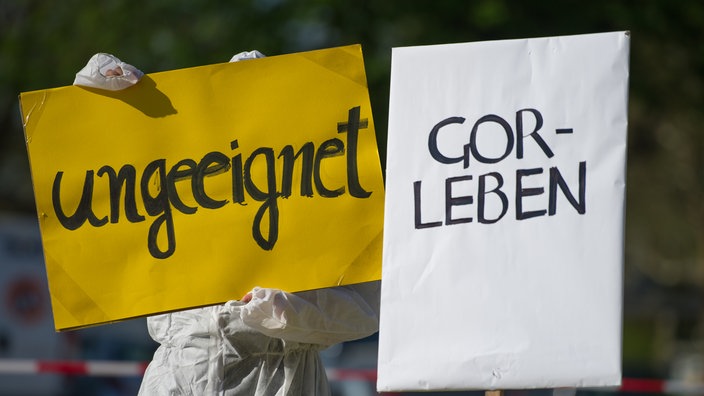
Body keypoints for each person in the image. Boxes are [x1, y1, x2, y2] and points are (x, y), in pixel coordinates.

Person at [73, 52, 381, 395]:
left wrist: (287, 310)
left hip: (281, 384)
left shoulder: (316, 199)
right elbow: (98, 190)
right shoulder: (177, 189)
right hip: (178, 382)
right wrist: (109, 100)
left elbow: (365, 311)